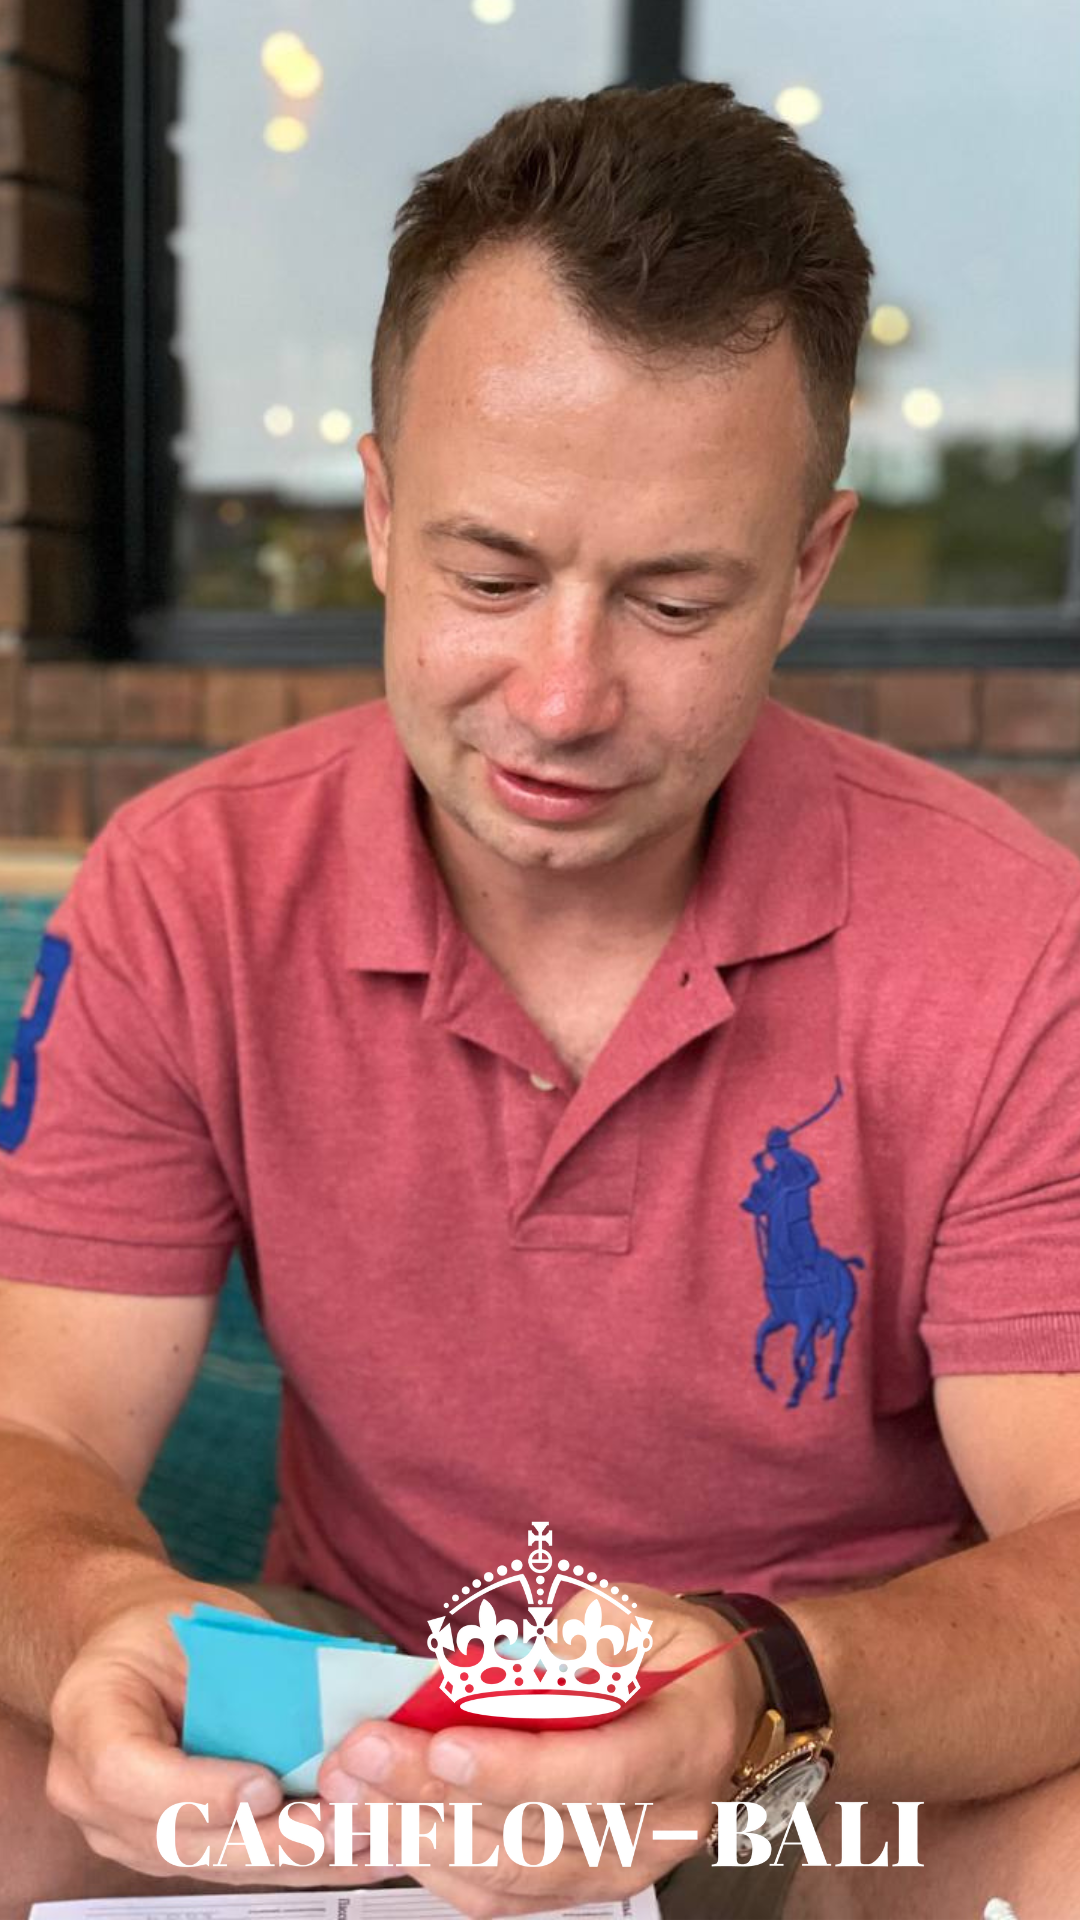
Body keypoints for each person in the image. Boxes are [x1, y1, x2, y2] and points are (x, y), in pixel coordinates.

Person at [0, 77, 1078, 1920]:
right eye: (491, 574)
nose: (562, 700)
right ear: (378, 511)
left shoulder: (1014, 941)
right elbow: (35, 1439)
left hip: (820, 1766)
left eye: (675, 603)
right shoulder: (188, 887)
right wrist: (112, 1621)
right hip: (349, 1733)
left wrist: (759, 1696)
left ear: (807, 572)